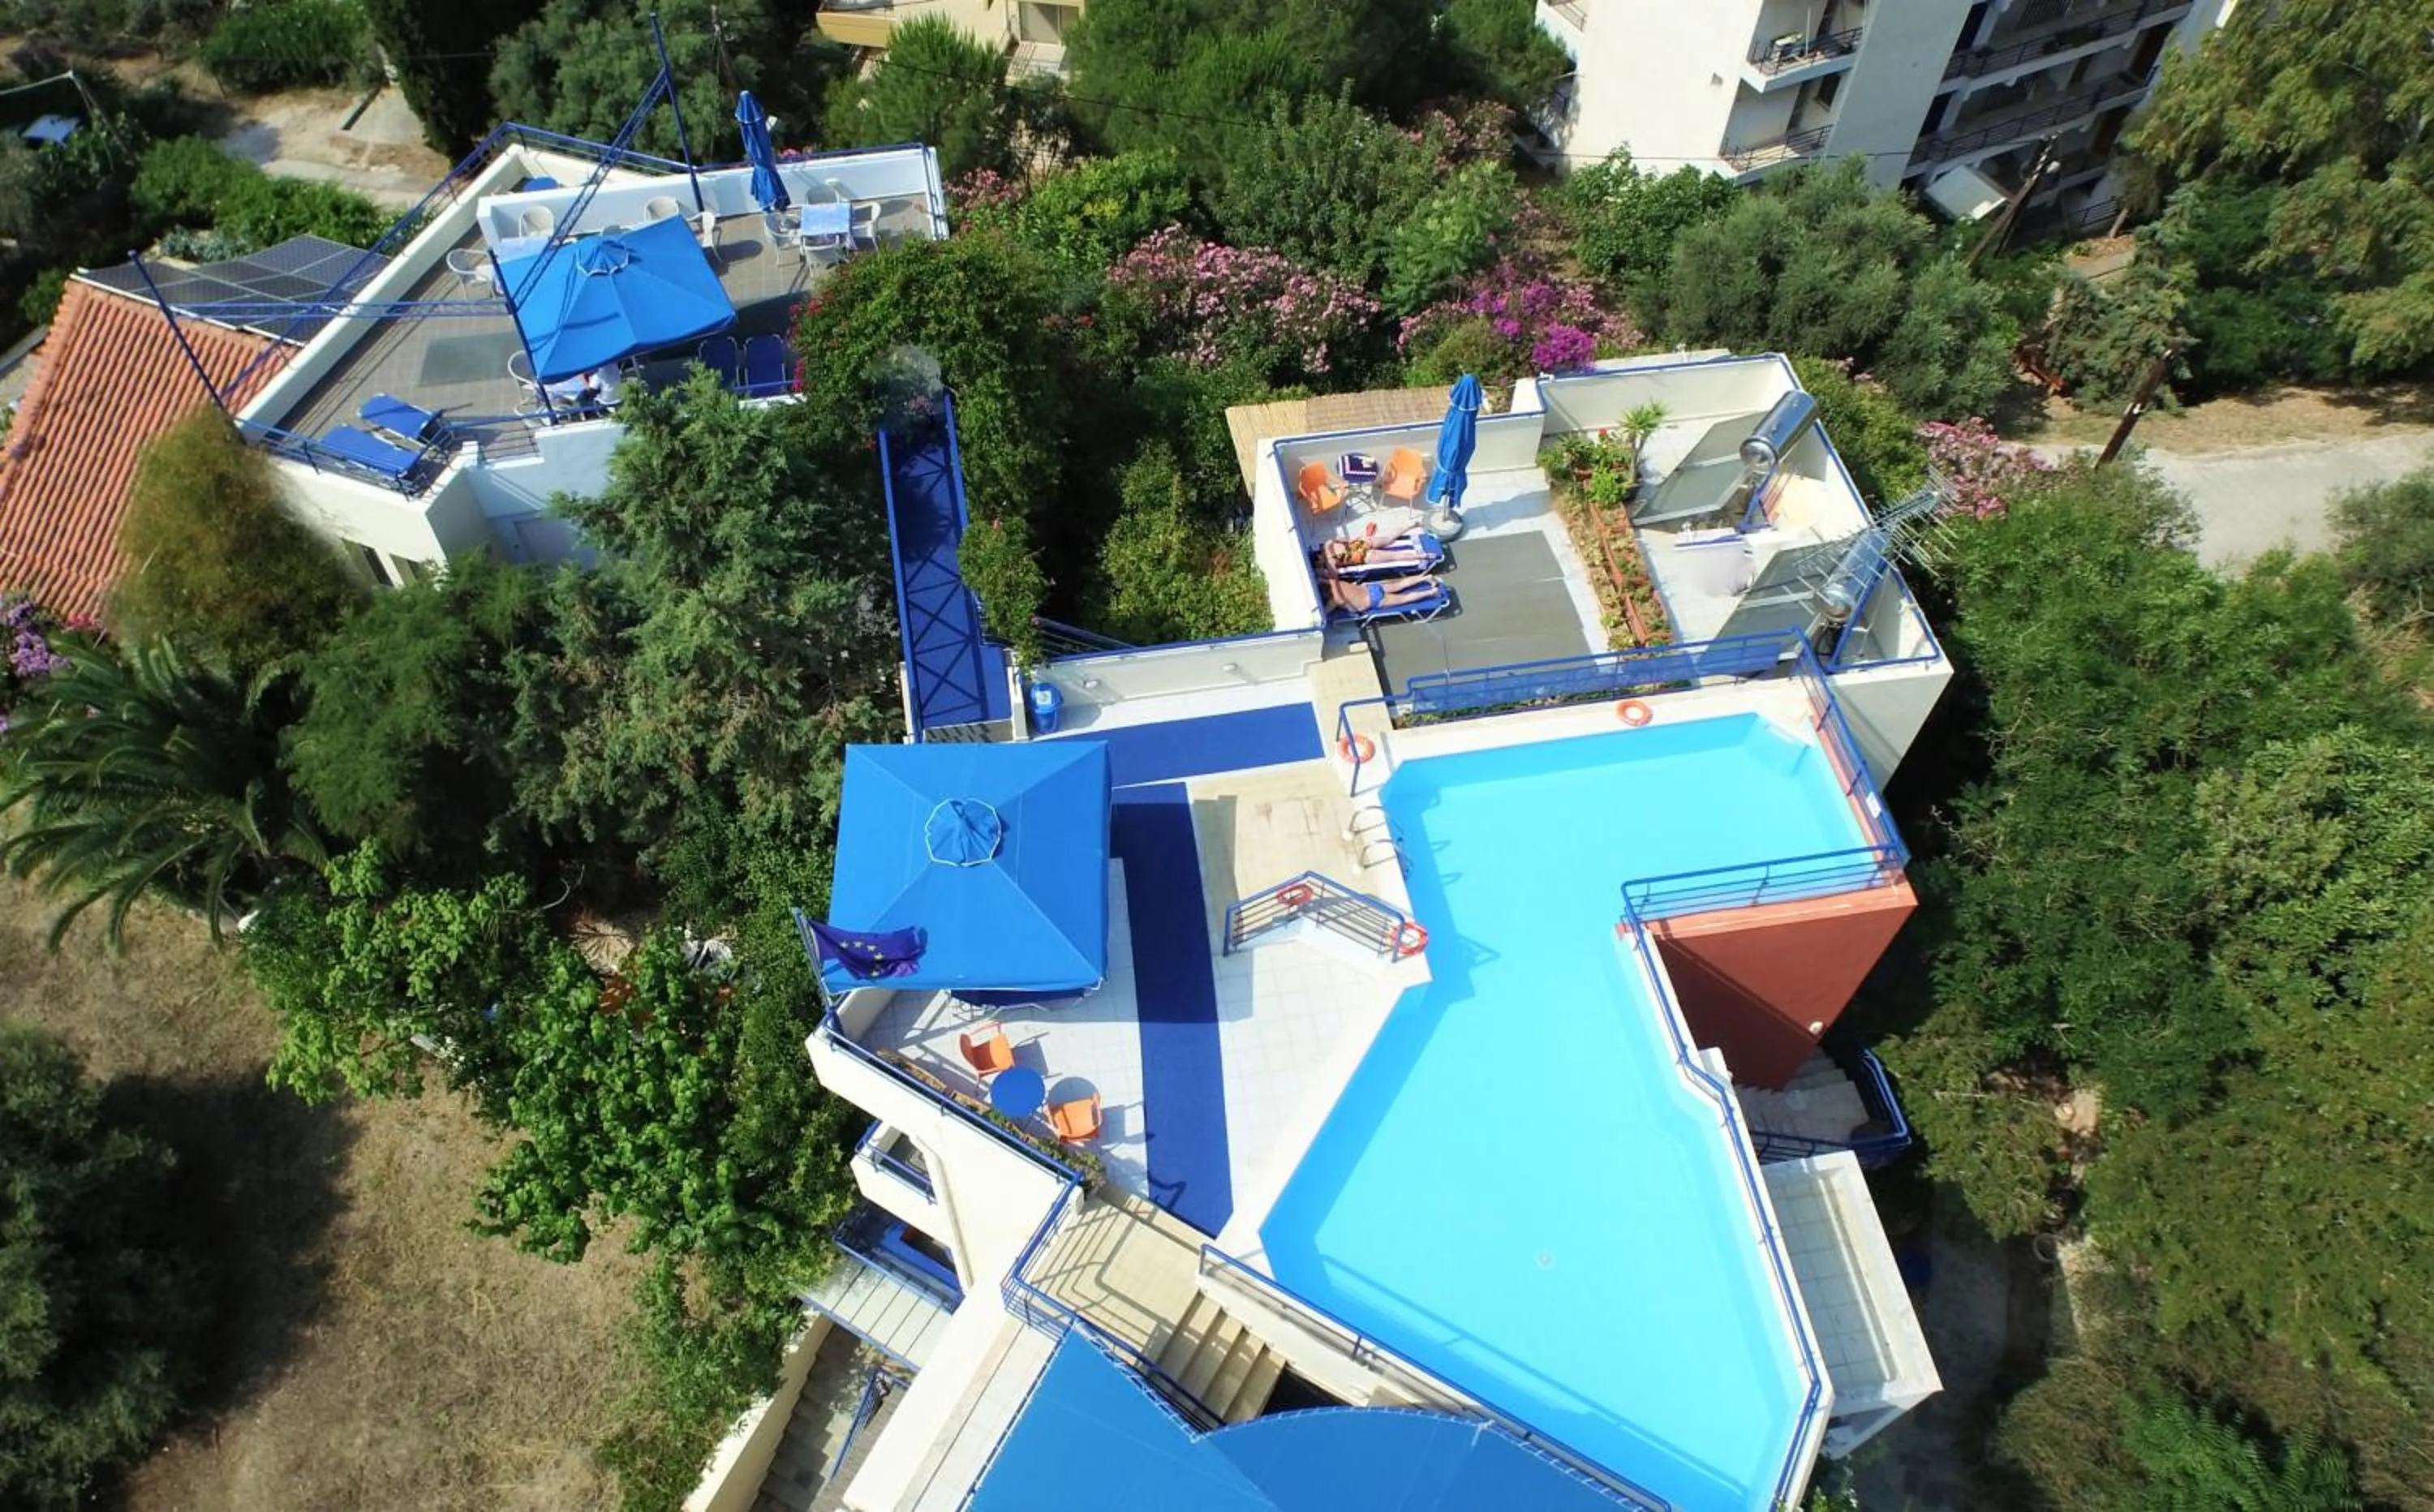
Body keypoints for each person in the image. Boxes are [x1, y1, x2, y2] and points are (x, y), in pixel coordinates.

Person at [1322, 571, 1438, 614]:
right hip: (1370, 588)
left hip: (1372, 600)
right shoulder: (1336, 582)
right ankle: (1425, 578)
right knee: (1400, 584)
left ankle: (1431, 592)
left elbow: (1325, 612)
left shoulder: (1335, 600)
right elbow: (1323, 580)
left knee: (1405, 598)